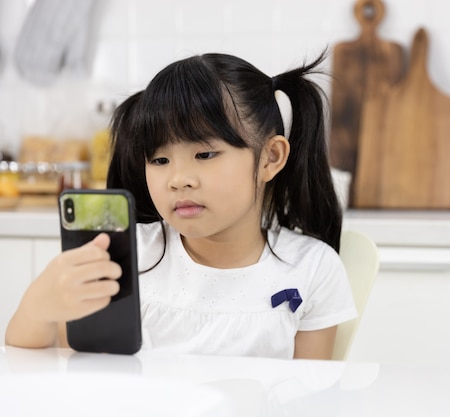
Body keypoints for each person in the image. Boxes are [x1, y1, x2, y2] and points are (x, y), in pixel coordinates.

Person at [5, 52, 357, 360]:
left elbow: (312, 394)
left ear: (270, 157)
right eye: (159, 160)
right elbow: (51, 363)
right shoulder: (124, 257)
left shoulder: (312, 269)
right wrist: (38, 306)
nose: (178, 179)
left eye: (204, 154)